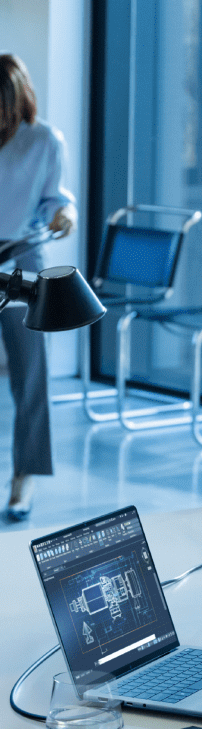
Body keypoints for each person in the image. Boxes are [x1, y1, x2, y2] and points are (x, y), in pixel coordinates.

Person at [0, 53, 74, 523]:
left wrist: (64, 215)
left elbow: (57, 198)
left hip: (23, 259)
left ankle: (23, 477)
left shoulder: (45, 139)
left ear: (18, 99)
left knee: (29, 375)